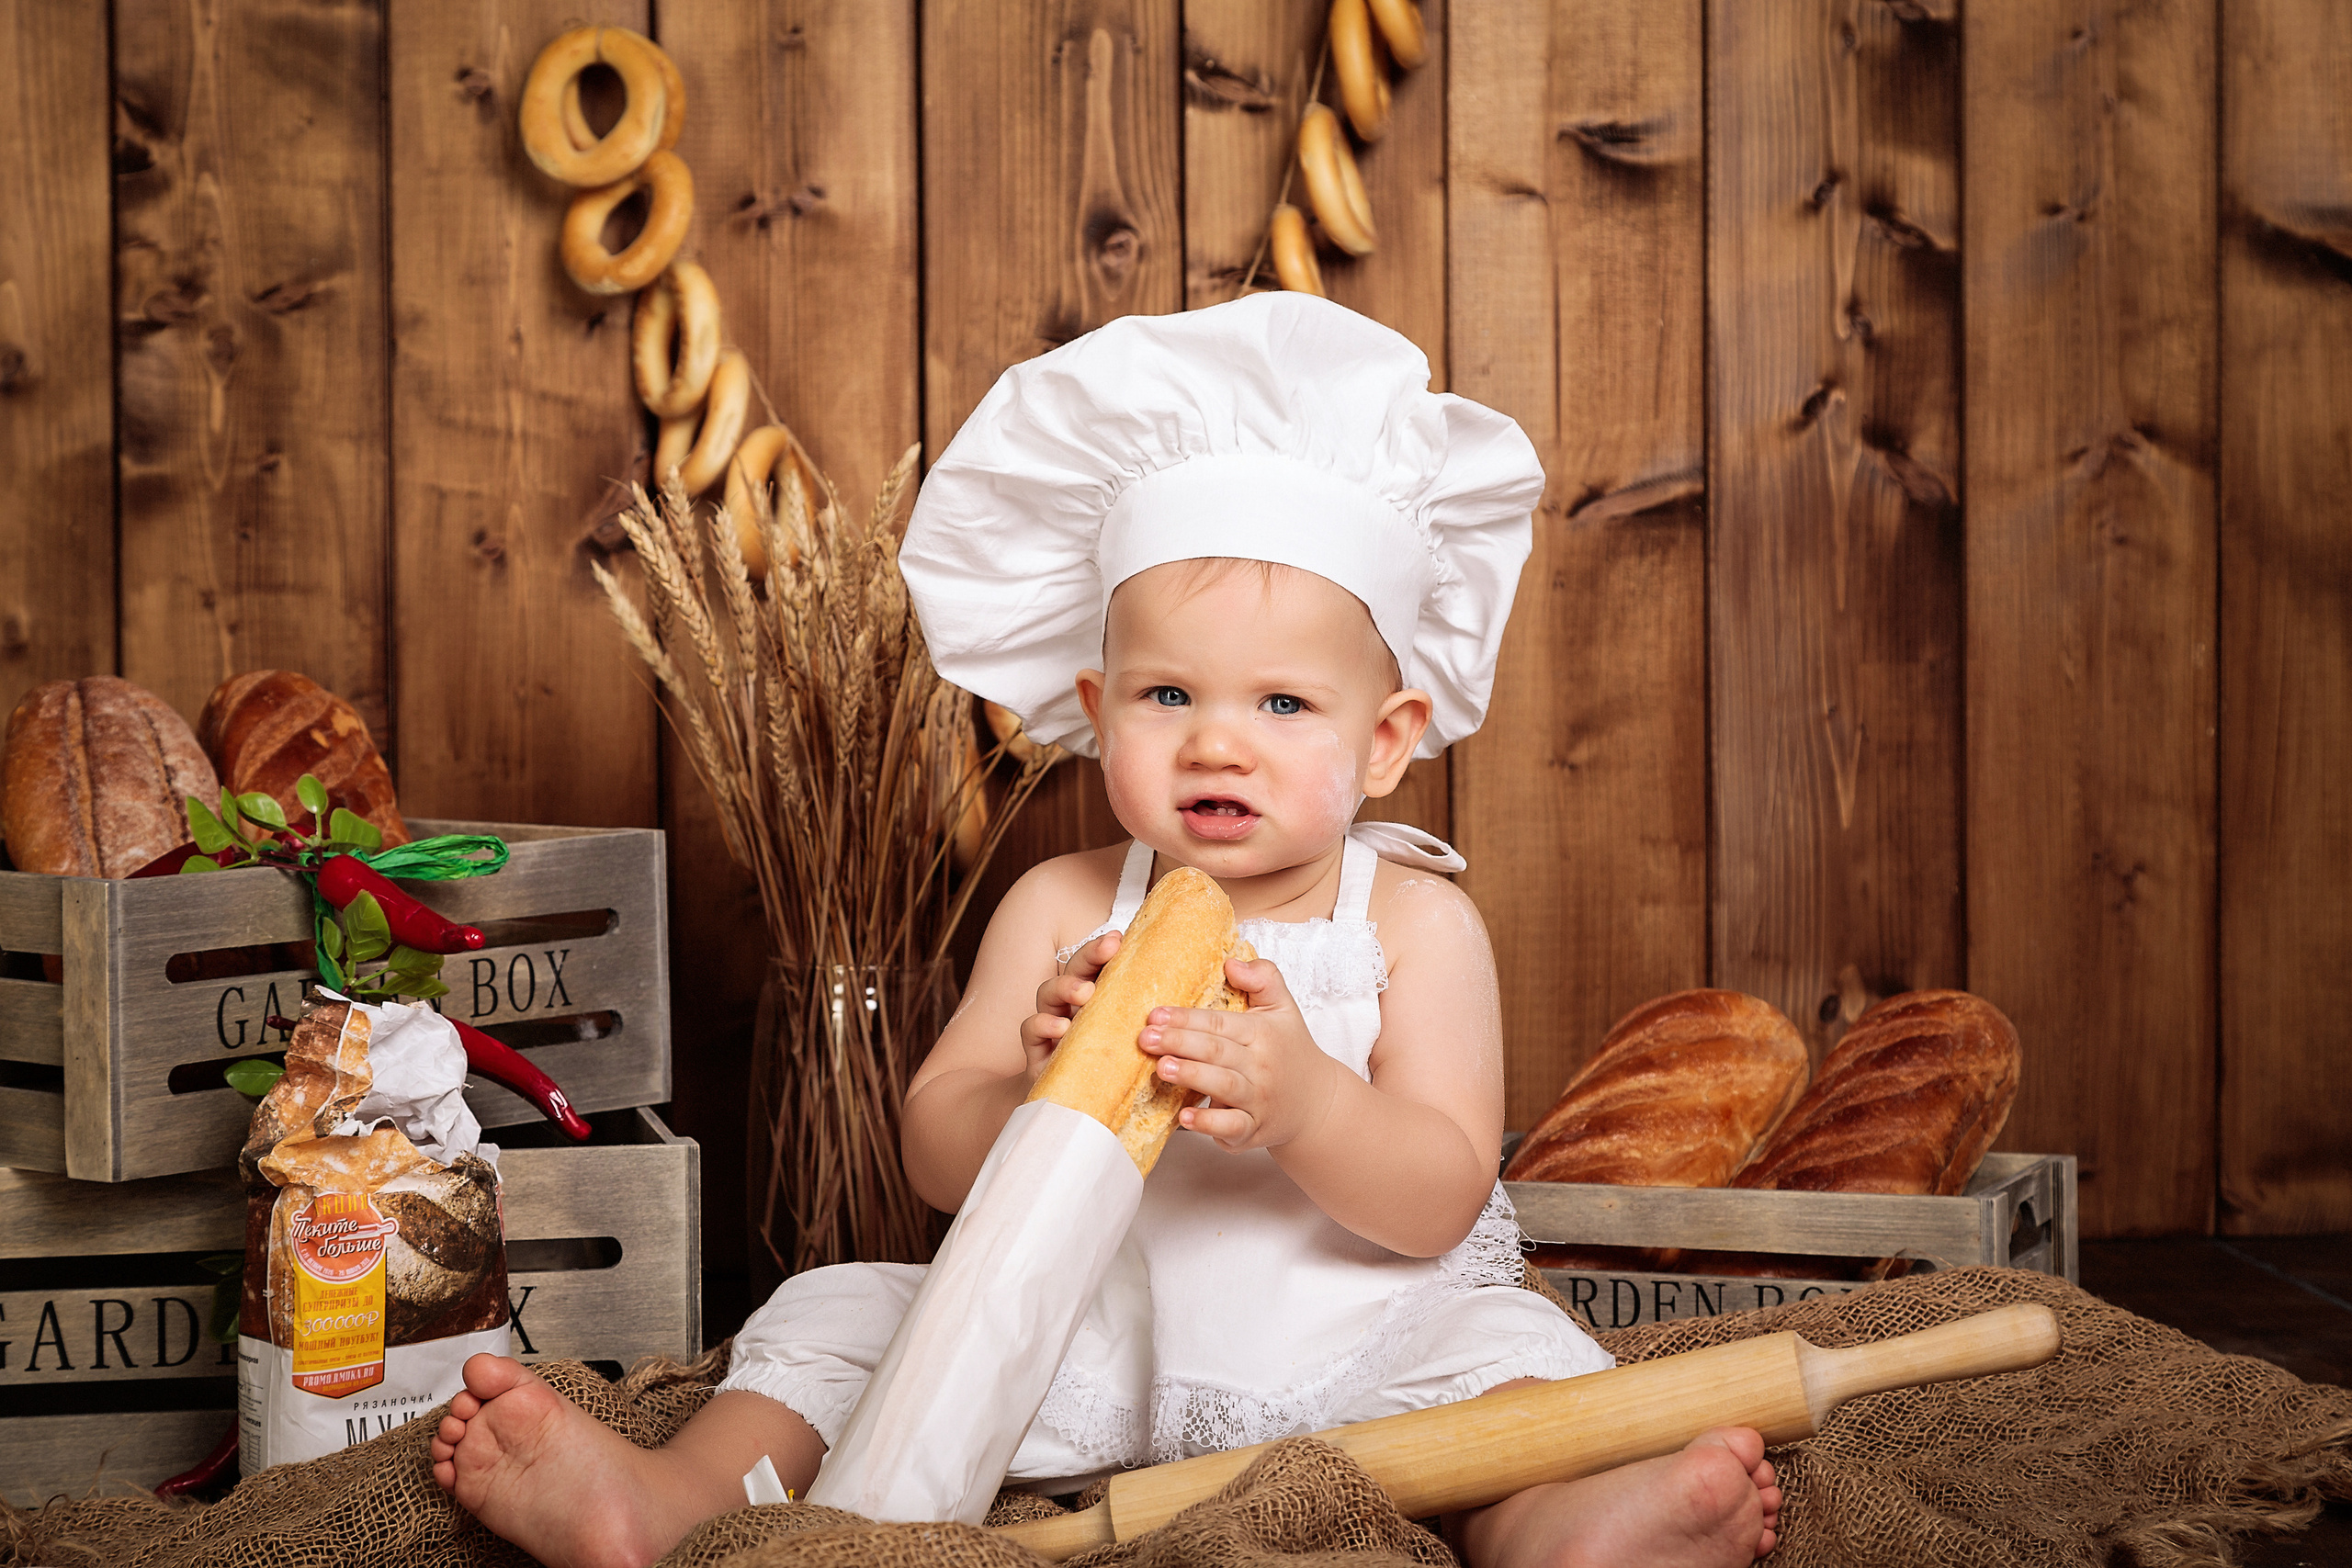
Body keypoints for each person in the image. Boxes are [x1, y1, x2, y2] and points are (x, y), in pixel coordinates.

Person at [430, 293, 1781, 1568]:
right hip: (1073, 1342)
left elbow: (1440, 1197)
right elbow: (935, 1155)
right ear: (1095, 707)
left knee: (1510, 1371)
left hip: (1362, 1352)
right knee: (837, 1318)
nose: (1218, 743)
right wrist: (1030, 1083)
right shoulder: (1065, 906)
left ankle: (1563, 1533)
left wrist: (1309, 1102)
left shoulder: (1416, 922)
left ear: (1386, 741)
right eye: (1168, 695)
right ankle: (664, 1502)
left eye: (1284, 706)